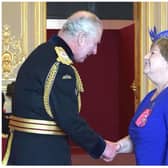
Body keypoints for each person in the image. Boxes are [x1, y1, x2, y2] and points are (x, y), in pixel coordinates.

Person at [2, 10, 118, 165]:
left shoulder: (42, 53)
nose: (95, 51)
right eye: (95, 43)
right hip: (44, 154)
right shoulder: (60, 67)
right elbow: (69, 120)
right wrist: (101, 147)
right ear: (82, 38)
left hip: (23, 150)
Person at [113, 28, 168, 165]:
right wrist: (116, 147)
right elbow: (138, 138)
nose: (145, 56)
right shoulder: (150, 97)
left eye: (152, 53)